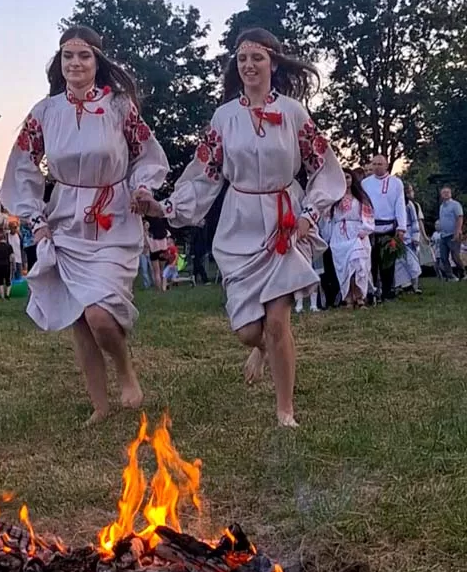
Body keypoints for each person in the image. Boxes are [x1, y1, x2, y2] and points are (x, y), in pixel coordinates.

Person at [137, 27, 345, 427]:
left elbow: (324, 167)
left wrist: (310, 214)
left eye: (257, 58)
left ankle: (285, 411)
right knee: (249, 330)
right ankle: (259, 348)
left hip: (284, 219)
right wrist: (164, 207)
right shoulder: (225, 117)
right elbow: (205, 174)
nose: (249, 65)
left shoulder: (294, 113)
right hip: (240, 222)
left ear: (273, 64)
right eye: (243, 59)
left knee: (278, 322)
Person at [0, 25, 168, 424]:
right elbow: (22, 168)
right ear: (59, 62)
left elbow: (147, 154)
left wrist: (142, 189)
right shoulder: (45, 112)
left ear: (97, 61)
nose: (75, 63)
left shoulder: (119, 107)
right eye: (68, 56)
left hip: (114, 218)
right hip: (66, 220)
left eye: (84, 56)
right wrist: (37, 220)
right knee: (79, 317)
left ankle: (125, 371)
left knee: (99, 314)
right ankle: (99, 405)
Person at [325, 168, 374, 308]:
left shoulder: (361, 198)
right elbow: (327, 218)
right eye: (343, 177)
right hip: (339, 235)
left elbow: (369, 216)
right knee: (345, 267)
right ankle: (347, 298)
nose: (345, 180)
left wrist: (365, 230)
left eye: (348, 177)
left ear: (352, 179)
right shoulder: (333, 198)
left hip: (356, 232)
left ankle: (360, 297)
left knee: (358, 264)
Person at [362, 155, 407, 302]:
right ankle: (371, 292)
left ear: (386, 165)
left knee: (387, 262)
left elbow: (400, 205)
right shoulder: (365, 183)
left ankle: (387, 291)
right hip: (370, 228)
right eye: (374, 164)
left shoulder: (396, 183)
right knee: (371, 262)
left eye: (380, 164)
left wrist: (401, 227)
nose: (377, 167)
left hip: (389, 228)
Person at [395, 190, 422, 293]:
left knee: (412, 262)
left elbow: (415, 221)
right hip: (396, 236)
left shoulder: (409, 204)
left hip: (409, 236)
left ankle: (415, 286)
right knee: (399, 263)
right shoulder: (394, 202)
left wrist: (415, 236)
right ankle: (403, 286)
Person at [438, 187, 464, 281]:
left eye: (447, 192)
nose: (446, 194)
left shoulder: (455, 205)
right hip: (443, 235)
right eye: (444, 192)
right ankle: (450, 276)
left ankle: (463, 273)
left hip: (453, 234)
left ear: (450, 194)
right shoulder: (441, 206)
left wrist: (457, 232)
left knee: (455, 256)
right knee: (443, 257)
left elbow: (460, 218)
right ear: (441, 195)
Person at [146, 216, 169, 292]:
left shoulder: (149, 220)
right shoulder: (162, 221)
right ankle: (164, 287)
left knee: (156, 271)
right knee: (163, 269)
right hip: (163, 247)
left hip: (154, 247)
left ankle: (158, 289)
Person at [0, 232, 14, 299]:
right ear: (5, 239)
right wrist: (13, 264)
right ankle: (7, 294)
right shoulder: (9, 246)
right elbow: (12, 257)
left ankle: (2, 296)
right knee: (8, 280)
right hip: (6, 265)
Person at [138, 220, 153, 288]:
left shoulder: (150, 234)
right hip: (142, 253)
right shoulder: (140, 234)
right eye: (146, 225)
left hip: (149, 252)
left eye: (148, 225)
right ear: (143, 226)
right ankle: (147, 284)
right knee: (144, 269)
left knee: (152, 268)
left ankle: (153, 282)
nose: (147, 226)